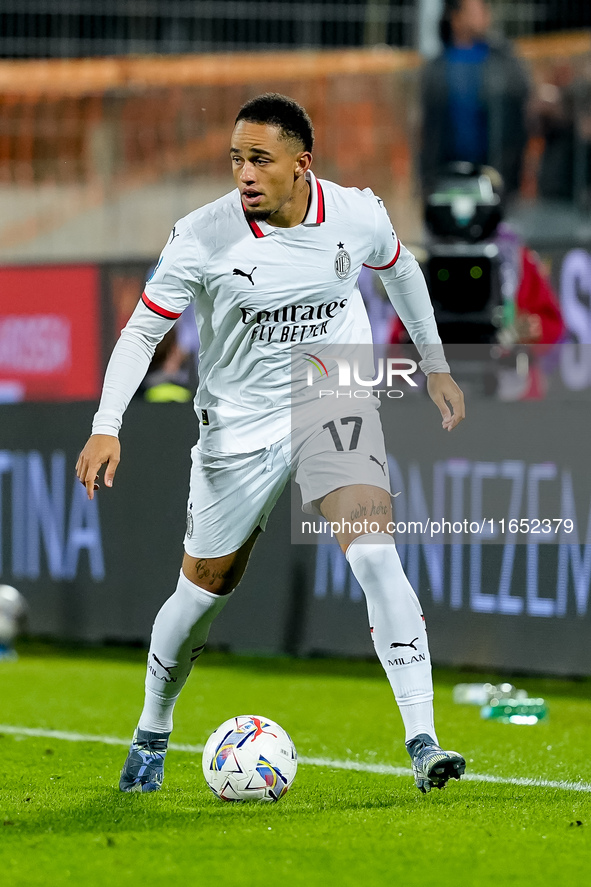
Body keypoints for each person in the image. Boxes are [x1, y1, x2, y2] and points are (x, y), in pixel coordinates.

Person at [76, 93, 466, 796]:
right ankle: (152, 731)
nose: (244, 174)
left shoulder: (355, 214)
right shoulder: (202, 236)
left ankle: (423, 739)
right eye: (235, 159)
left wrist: (434, 364)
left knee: (375, 552)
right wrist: (108, 422)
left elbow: (400, 269)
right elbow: (141, 332)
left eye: (259, 159)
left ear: (300, 164)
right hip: (238, 426)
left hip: (331, 398)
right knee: (202, 594)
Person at [420, 0, 530, 199]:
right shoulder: (438, 68)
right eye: (475, 10)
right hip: (448, 176)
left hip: (495, 176)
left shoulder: (503, 61)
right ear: (455, 18)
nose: (483, 14)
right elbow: (427, 129)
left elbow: (521, 107)